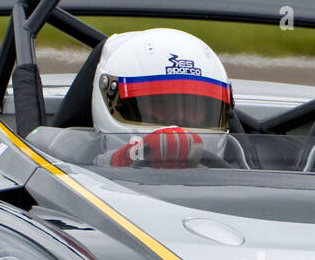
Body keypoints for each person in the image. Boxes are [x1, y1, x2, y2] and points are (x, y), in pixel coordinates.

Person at [89, 27, 236, 168]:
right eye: (158, 106)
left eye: (192, 108)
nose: (176, 124)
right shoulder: (73, 161)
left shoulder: (244, 161)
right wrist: (122, 158)